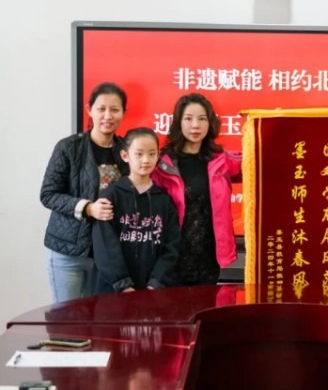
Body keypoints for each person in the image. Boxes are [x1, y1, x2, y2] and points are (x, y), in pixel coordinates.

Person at [40, 82, 128, 302]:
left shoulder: (127, 151)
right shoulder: (69, 147)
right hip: (69, 252)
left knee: (101, 318)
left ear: (123, 113)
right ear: (89, 109)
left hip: (108, 255)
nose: (108, 116)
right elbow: (48, 194)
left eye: (115, 109)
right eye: (101, 109)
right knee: (66, 317)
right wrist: (88, 208)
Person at [152, 93, 242, 286]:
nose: (195, 125)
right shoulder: (162, 165)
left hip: (208, 258)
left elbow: (257, 160)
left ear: (210, 123)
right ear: (178, 122)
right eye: (188, 119)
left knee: (206, 304)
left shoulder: (222, 160)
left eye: (202, 119)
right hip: (171, 257)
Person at [91, 128, 181, 294]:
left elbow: (172, 245)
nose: (146, 160)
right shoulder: (111, 196)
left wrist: (156, 282)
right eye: (139, 154)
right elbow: (104, 245)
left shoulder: (164, 199)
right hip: (114, 290)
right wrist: (123, 284)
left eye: (152, 154)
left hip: (153, 291)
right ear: (125, 156)